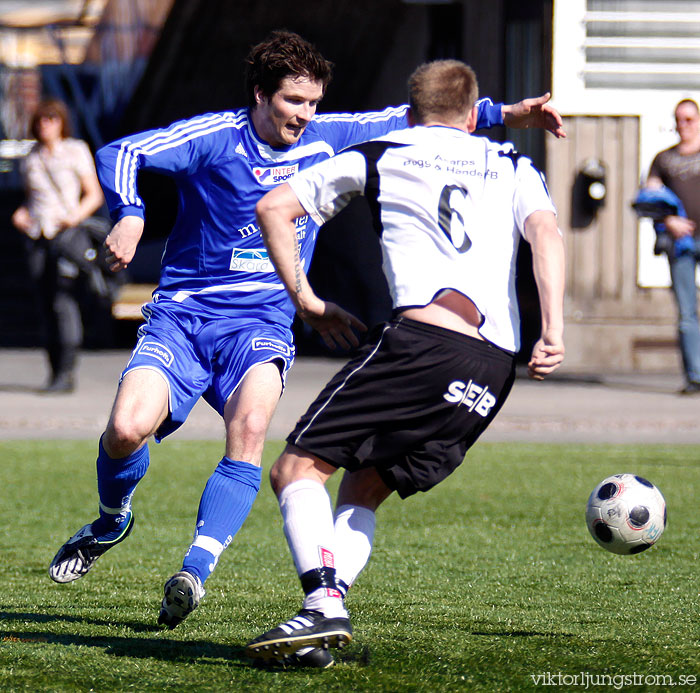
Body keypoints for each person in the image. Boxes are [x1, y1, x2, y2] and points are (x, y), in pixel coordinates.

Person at [47, 29, 565, 643]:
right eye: (294, 101)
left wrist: (507, 113)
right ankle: (112, 520)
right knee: (127, 429)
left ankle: (197, 568)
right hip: (185, 314)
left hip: (264, 323)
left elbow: (415, 117)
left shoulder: (329, 136)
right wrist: (129, 213)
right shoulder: (214, 137)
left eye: (314, 102)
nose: (306, 115)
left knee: (251, 433)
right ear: (261, 96)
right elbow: (121, 154)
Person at [245, 58, 565, 665]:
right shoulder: (513, 163)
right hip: (493, 368)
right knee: (363, 486)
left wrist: (308, 302)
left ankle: (321, 607)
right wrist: (553, 330)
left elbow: (274, 208)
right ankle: (324, 613)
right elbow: (546, 235)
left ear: (412, 113)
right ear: (473, 116)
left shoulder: (383, 150)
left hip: (420, 344)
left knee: (295, 471)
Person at [11, 99, 104, 393]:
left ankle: (67, 371)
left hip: (66, 236)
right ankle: (53, 370)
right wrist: (20, 216)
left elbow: (93, 194)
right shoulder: (31, 157)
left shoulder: (75, 151)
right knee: (45, 304)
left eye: (52, 119)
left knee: (64, 302)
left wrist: (72, 218)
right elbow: (31, 200)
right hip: (38, 237)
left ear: (62, 122)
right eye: (41, 120)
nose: (46, 125)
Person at [646, 99, 700, 394]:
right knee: (687, 312)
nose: (684, 126)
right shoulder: (663, 160)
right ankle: (695, 376)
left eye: (690, 120)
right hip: (682, 244)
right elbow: (646, 199)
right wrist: (669, 219)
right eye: (679, 120)